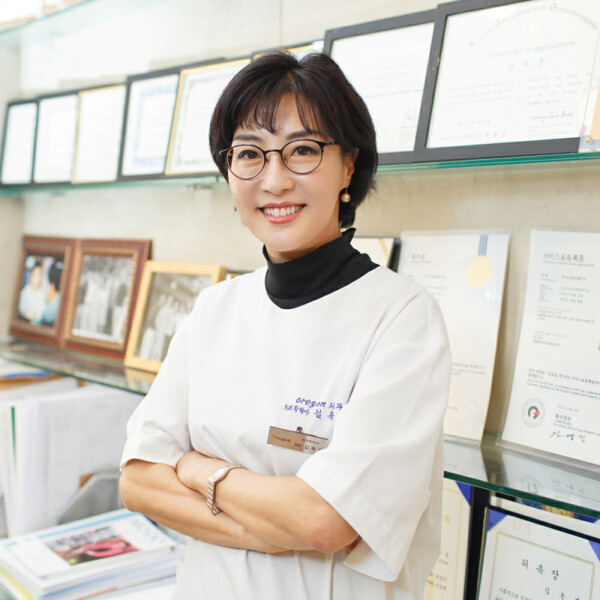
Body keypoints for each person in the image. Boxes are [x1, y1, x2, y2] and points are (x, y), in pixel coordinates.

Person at [119, 51, 451, 600]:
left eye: (302, 150)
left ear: (349, 166)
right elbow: (137, 482)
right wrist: (268, 530)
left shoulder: (402, 319)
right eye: (250, 154)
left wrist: (195, 469)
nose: (274, 181)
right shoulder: (215, 308)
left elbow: (323, 521)